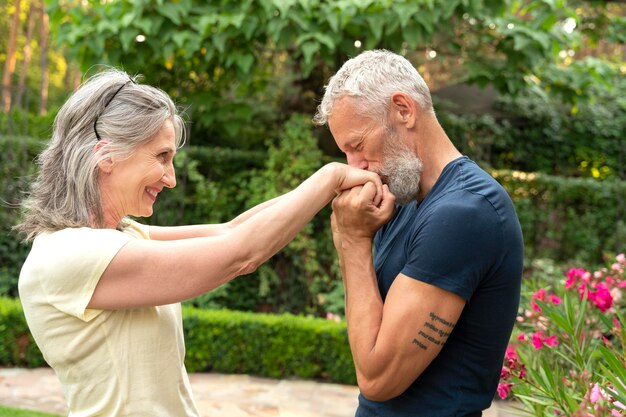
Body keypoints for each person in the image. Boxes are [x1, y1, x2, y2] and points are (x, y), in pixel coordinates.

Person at [15, 68, 383, 417]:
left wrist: (330, 181)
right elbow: (242, 253)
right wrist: (333, 176)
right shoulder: (68, 255)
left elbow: (231, 230)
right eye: (162, 157)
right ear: (106, 155)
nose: (171, 178)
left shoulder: (118, 238)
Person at [313, 49, 524, 416]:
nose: (355, 165)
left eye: (357, 145)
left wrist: (352, 241)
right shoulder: (404, 200)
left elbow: (378, 380)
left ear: (403, 109)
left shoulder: (464, 213)